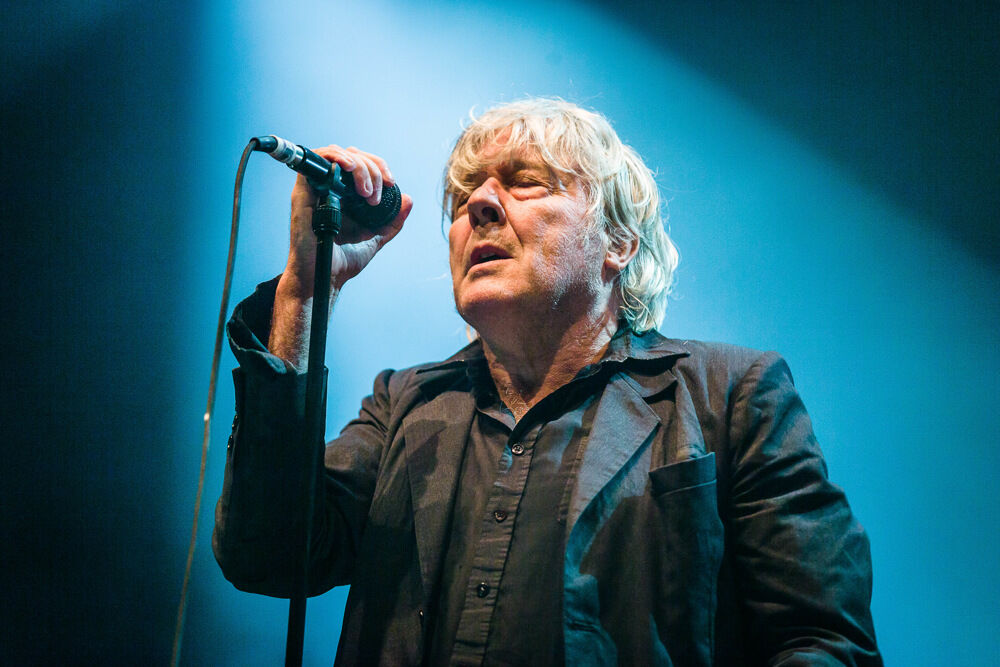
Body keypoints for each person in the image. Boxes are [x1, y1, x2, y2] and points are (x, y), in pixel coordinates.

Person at [214, 98, 881, 665]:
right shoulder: (404, 404)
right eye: (464, 195)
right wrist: (306, 290)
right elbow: (266, 553)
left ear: (618, 241)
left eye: (525, 181)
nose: (479, 204)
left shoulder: (730, 396)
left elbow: (823, 641)